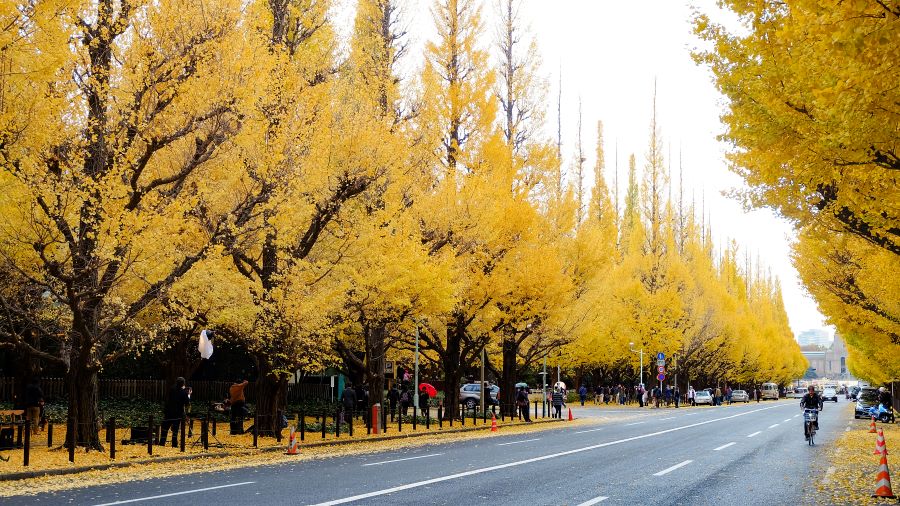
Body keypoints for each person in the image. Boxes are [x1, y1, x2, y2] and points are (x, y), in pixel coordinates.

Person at [160, 377, 191, 447]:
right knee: (175, 429)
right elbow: (187, 403)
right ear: (183, 383)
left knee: (165, 427)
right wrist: (188, 394)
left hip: (168, 411)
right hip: (178, 413)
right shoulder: (184, 392)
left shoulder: (172, 389)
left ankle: (162, 442)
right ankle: (174, 444)